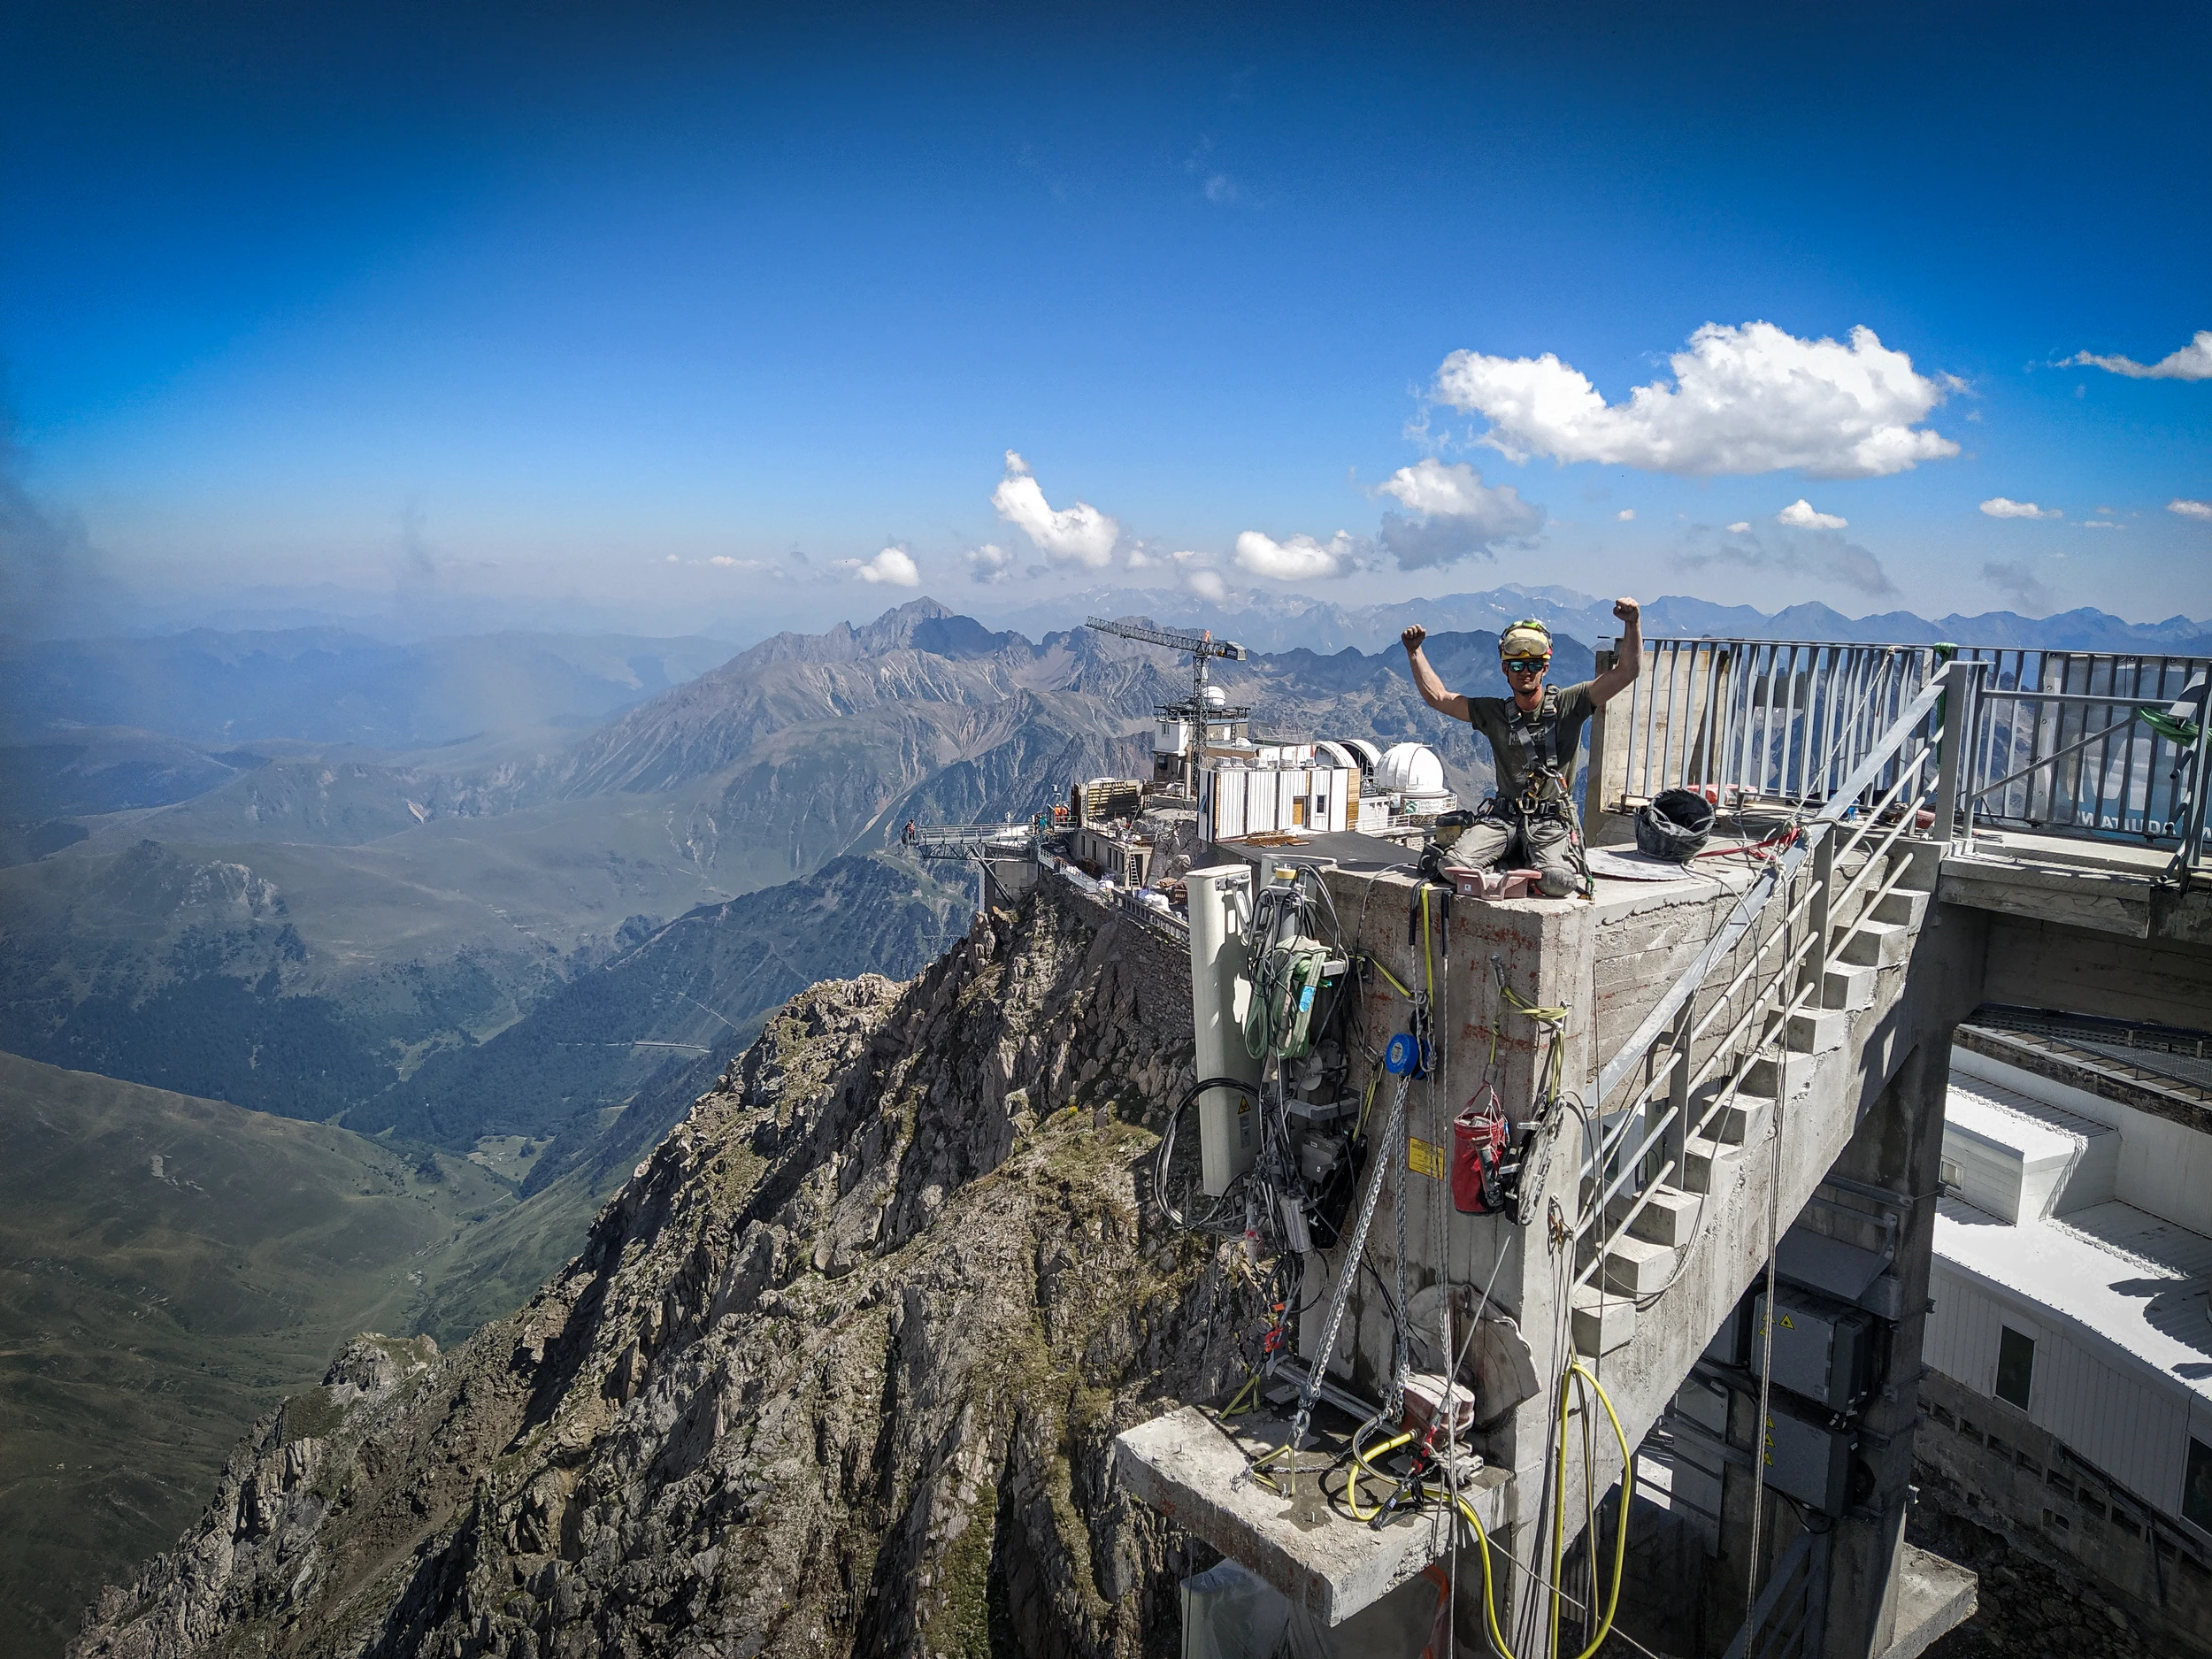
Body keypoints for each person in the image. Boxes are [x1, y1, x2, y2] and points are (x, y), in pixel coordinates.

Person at [1399, 600, 1643, 896]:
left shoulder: (1571, 704)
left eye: (1534, 665)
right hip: (1503, 819)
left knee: (1559, 882)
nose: (1525, 671)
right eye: (1517, 665)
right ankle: (1513, 861)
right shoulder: (1494, 713)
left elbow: (1627, 672)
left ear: (1545, 668)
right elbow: (1440, 697)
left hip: (1551, 822)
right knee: (1452, 865)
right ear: (1505, 668)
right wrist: (1415, 652)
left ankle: (1522, 862)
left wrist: (1632, 624)